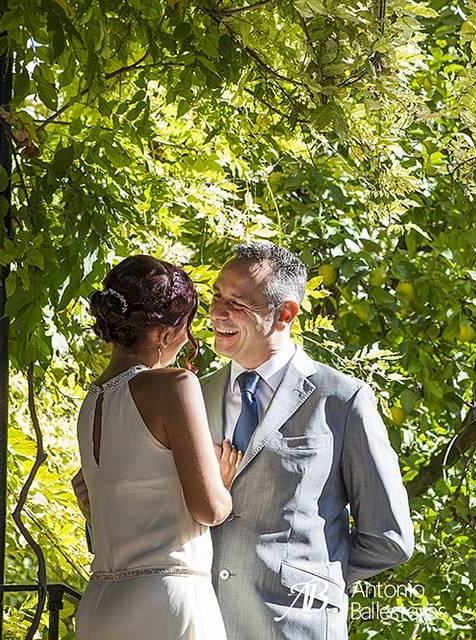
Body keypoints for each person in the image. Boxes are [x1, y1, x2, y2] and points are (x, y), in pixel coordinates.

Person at [201, 241, 414, 639]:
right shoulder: (193, 396)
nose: (216, 312)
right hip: (199, 623)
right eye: (216, 296)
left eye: (237, 303)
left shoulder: (342, 401)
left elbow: (390, 538)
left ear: (285, 314)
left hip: (298, 628)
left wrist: (307, 578)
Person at [72, 255, 238, 640]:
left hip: (100, 603)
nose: (187, 339)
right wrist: (222, 481)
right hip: (165, 601)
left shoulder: (91, 402)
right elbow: (209, 509)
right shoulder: (172, 385)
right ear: (164, 332)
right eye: (186, 326)